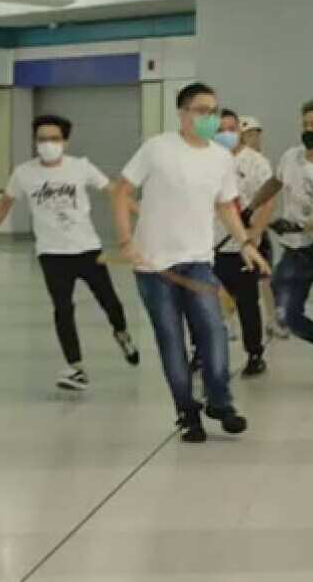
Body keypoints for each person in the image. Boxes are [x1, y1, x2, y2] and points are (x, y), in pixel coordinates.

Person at [112, 82, 266, 443]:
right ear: (182, 113)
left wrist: (245, 242)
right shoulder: (157, 148)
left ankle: (219, 402)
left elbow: (226, 205)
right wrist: (124, 240)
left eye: (214, 110)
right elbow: (121, 191)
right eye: (201, 110)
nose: (209, 117)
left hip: (198, 260)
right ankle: (187, 412)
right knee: (171, 341)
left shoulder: (220, 157)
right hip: (154, 266)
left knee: (213, 332)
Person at [0, 114, 140, 391]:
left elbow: (114, 191)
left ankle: (121, 333)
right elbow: (4, 204)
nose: (47, 144)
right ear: (35, 141)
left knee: (110, 301)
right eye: (42, 139)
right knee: (63, 309)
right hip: (51, 254)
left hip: (87, 250)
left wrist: (141, 213)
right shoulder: (24, 172)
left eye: (54, 138)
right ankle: (76, 368)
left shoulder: (81, 167)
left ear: (65, 141)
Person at [248, 100, 313, 397]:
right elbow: (274, 183)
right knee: (285, 314)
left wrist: (302, 226)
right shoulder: (291, 157)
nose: (308, 130)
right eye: (305, 124)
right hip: (295, 253)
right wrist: (251, 207)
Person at [211, 110, 273, 378]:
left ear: (240, 131)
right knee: (204, 302)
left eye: (231, 128)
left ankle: (254, 353)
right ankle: (202, 354)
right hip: (209, 244)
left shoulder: (257, 163)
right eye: (221, 129)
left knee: (247, 301)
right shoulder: (207, 160)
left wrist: (255, 233)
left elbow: (268, 200)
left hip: (243, 245)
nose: (226, 134)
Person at [238, 115, 283, 339]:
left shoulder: (259, 162)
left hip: (256, 227)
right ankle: (225, 322)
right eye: (250, 133)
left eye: (257, 133)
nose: (255, 138)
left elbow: (268, 197)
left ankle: (273, 320)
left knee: (265, 276)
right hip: (232, 229)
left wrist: (258, 227)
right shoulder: (227, 159)